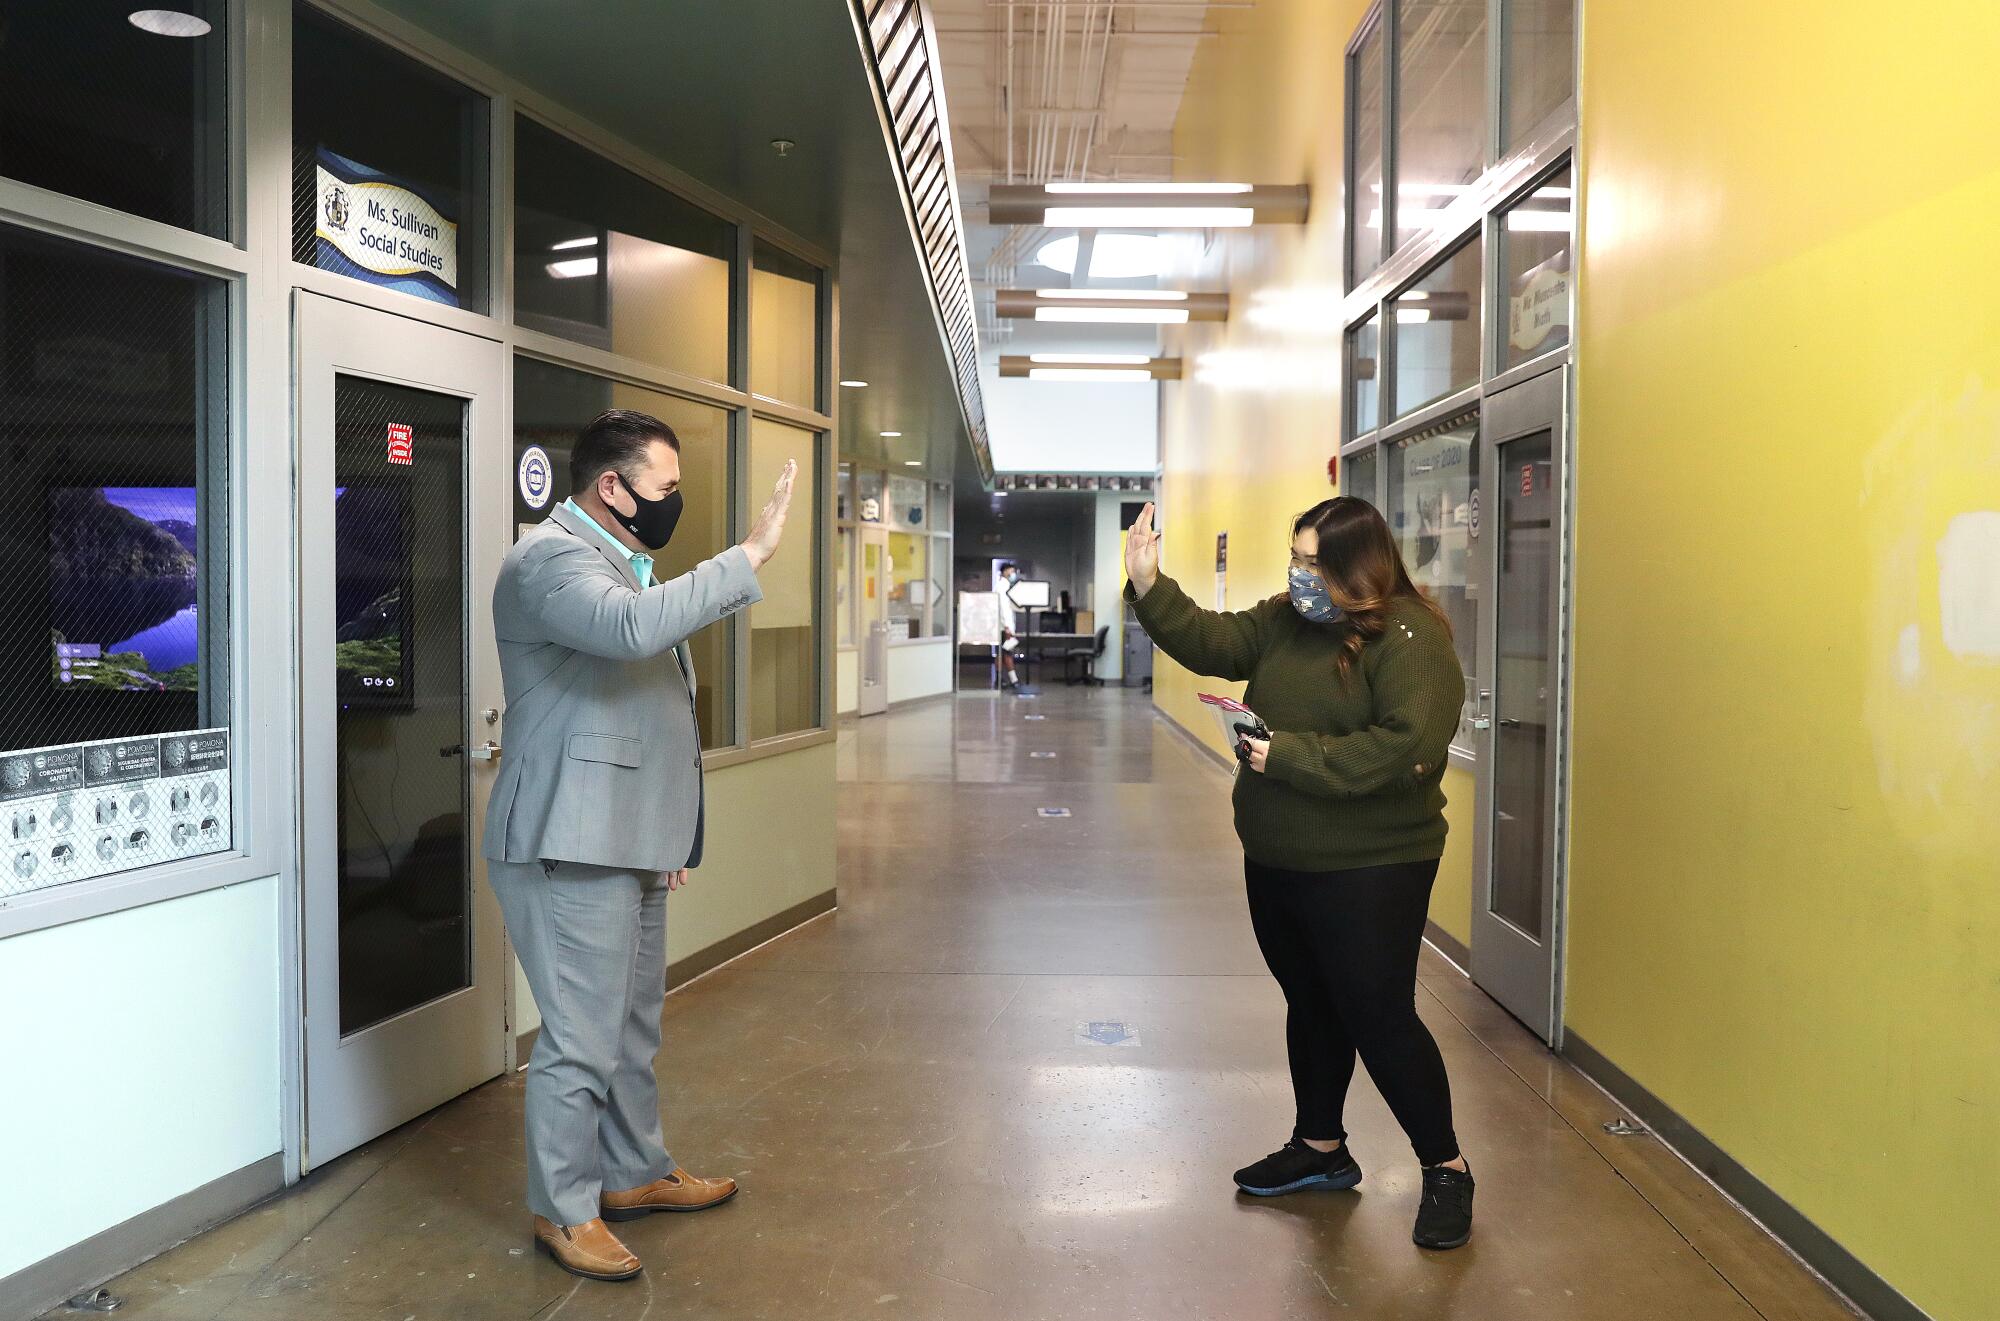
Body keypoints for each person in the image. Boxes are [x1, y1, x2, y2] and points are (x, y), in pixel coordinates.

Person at [483, 409, 796, 1281]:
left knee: (629, 1027)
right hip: (565, 837)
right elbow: (631, 631)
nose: (673, 503)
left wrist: (667, 832)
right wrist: (748, 557)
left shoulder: (621, 562)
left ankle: (631, 1173)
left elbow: (643, 710)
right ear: (610, 487)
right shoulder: (548, 560)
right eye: (663, 488)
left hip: (625, 836)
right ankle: (563, 1206)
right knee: (581, 1037)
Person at [1123, 496, 1477, 1250]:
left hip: (1373, 862)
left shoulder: (1411, 637)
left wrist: (1289, 756)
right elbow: (1210, 637)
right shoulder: (1287, 620)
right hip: (1280, 856)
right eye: (1297, 556)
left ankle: (1446, 1166)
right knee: (1310, 1000)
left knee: (1378, 1014)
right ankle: (1320, 1148)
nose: (1300, 573)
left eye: (1315, 562)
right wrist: (1150, 581)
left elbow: (1407, 745)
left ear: (1359, 566)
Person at [995, 562, 1022, 687]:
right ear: (1005, 572)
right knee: (1007, 653)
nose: (1013, 574)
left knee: (1002, 652)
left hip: (1003, 625)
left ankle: (999, 679)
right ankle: (1014, 680)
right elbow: (1003, 608)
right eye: (1011, 572)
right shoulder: (1002, 587)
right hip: (1004, 627)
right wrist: (1007, 626)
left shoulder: (1004, 586)